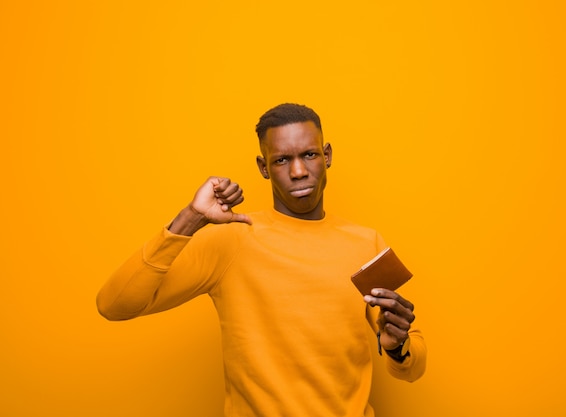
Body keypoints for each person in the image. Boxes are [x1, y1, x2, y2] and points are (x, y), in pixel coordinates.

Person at [97, 103, 427, 416]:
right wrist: (190, 218)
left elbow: (413, 367)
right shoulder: (230, 241)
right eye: (282, 160)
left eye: (309, 154)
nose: (298, 171)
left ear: (326, 156)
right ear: (263, 167)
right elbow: (114, 304)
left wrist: (398, 348)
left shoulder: (367, 243)